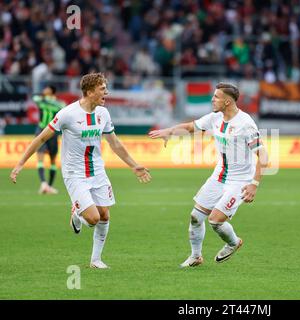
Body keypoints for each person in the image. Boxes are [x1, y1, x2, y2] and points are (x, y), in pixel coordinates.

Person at [10, 73, 152, 268]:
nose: (107, 92)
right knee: (93, 219)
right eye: (102, 89)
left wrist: (133, 165)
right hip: (74, 173)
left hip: (97, 171)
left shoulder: (103, 113)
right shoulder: (68, 114)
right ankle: (77, 213)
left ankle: (96, 260)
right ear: (90, 91)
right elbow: (41, 138)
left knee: (104, 215)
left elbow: (115, 143)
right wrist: (20, 164)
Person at [149, 82, 269, 267]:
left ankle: (233, 242)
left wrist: (254, 184)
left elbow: (264, 155)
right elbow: (190, 127)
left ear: (228, 102)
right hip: (219, 176)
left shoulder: (246, 124)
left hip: (240, 182)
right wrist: (169, 131)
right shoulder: (215, 118)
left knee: (215, 220)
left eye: (216, 97)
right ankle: (196, 256)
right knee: (196, 217)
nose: (212, 99)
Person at [32, 85, 65, 194]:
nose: (44, 90)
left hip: (53, 133)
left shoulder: (56, 103)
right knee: (40, 156)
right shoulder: (44, 100)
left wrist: (48, 101)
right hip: (41, 131)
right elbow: (34, 98)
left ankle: (49, 186)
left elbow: (63, 108)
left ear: (51, 91)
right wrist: (48, 100)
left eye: (46, 88)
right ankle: (43, 183)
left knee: (53, 160)